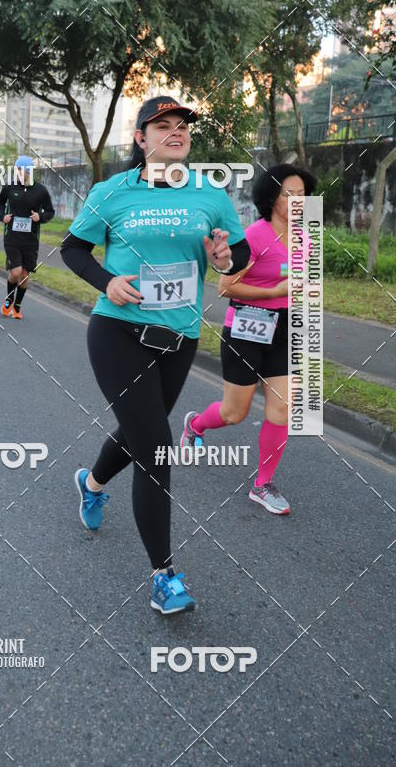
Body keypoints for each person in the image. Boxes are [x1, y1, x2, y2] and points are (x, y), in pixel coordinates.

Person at [60, 95, 251, 615]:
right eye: (162, 125)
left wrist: (225, 258)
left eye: (182, 125)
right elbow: (72, 249)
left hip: (179, 338)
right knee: (156, 447)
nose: (175, 132)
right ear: (141, 138)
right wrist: (107, 281)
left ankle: (91, 483)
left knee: (139, 431)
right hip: (117, 331)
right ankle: (163, 576)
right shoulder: (112, 192)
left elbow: (238, 251)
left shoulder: (209, 194)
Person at [180, 163, 316, 515]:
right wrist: (274, 291)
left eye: (302, 195)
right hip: (247, 328)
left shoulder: (305, 239)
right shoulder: (254, 236)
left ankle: (262, 484)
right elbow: (226, 287)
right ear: (271, 198)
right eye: (289, 194)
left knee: (282, 409)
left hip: (286, 330)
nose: (297, 201)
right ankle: (195, 425)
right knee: (234, 412)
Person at [0, 155, 55, 319]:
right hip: (12, 237)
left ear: (29, 170)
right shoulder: (9, 187)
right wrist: (2, 216)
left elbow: (50, 211)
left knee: (24, 275)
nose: (19, 172)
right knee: (15, 272)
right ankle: (9, 299)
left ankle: (17, 306)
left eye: (22, 169)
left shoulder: (41, 191)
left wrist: (40, 217)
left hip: (30, 240)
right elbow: (0, 203)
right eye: (17, 169)